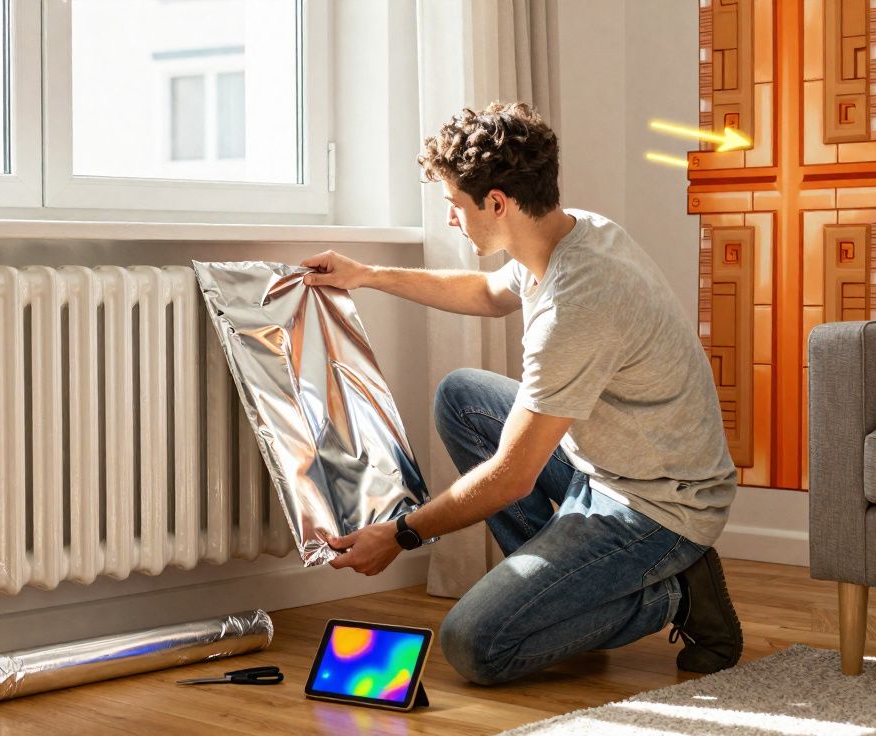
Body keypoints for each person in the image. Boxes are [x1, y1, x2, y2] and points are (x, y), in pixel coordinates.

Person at [301, 101, 742, 684]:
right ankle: (559, 595)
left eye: (456, 205)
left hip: (657, 506)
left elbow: (512, 477)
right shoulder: (570, 233)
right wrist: (368, 276)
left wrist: (402, 534)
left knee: (476, 646)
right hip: (604, 466)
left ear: (498, 203)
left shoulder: (577, 304)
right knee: (463, 397)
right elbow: (486, 294)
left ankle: (674, 596)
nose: (453, 220)